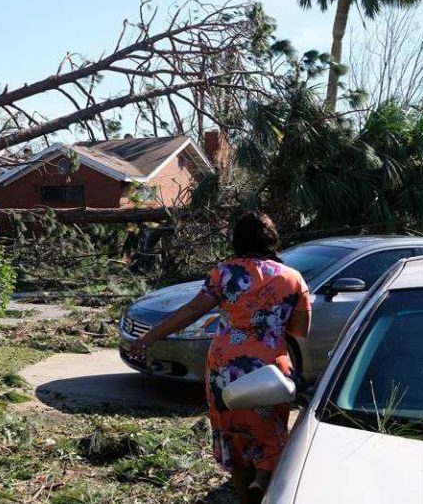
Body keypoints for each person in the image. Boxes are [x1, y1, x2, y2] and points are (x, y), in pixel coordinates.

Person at [130, 211, 311, 504]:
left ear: (237, 240)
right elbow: (300, 331)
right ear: (271, 239)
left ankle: (244, 495)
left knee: (234, 433)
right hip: (270, 368)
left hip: (227, 368)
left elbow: (190, 311)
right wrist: (270, 321)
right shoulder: (293, 278)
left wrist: (148, 337)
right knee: (269, 430)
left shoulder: (224, 273)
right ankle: (263, 481)